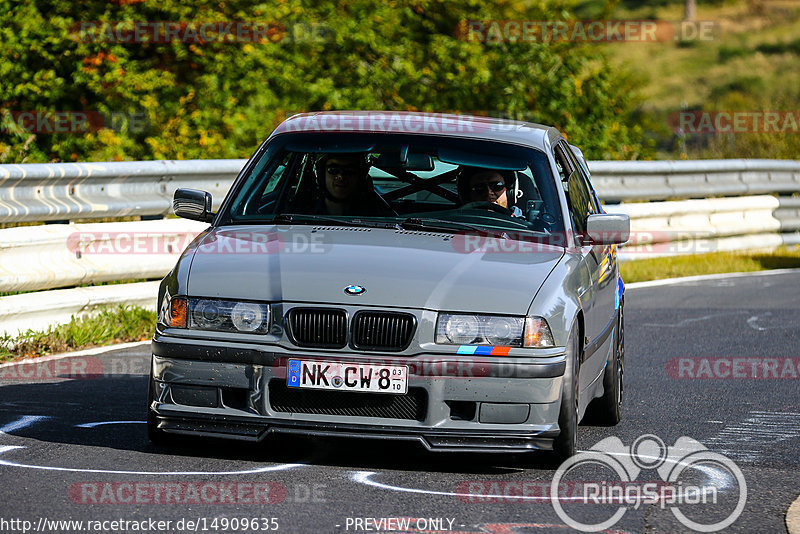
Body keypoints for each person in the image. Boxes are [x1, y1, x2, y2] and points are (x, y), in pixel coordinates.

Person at [312, 154, 390, 216]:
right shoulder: (304, 213)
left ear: (360, 177)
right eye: (333, 170)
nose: (341, 177)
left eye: (349, 171)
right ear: (322, 174)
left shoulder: (380, 216)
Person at [457, 166, 523, 216]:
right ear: (468, 195)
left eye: (497, 186)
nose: (488, 193)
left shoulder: (524, 226)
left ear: (510, 192)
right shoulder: (455, 221)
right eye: (479, 188)